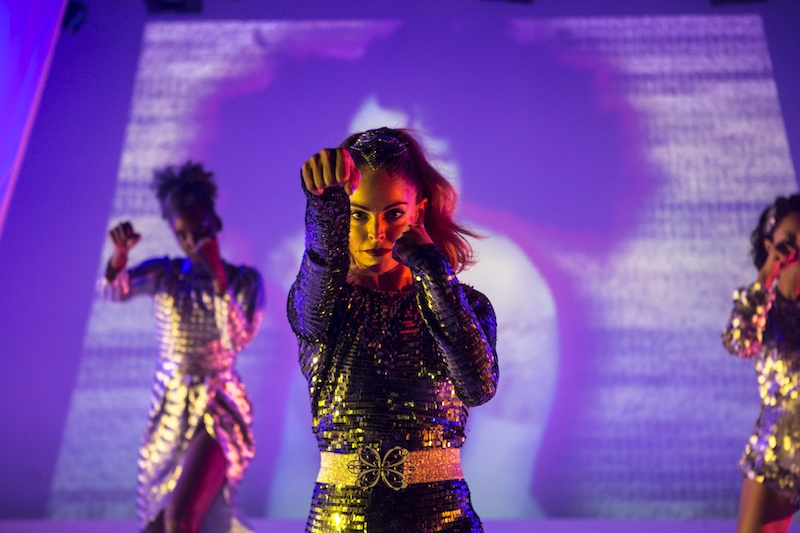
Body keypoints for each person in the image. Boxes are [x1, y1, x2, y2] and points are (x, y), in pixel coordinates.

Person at [288, 127, 499, 532]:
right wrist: (324, 206)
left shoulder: (467, 304)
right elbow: (314, 294)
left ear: (418, 210)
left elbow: (478, 387)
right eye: (357, 214)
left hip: (443, 522)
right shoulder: (325, 306)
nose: (376, 233)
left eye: (394, 213)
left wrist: (434, 271)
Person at [103, 161, 265, 533]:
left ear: (215, 223)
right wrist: (118, 260)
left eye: (201, 231)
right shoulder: (166, 273)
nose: (193, 242)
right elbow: (116, 289)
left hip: (219, 403)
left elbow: (238, 337)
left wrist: (219, 280)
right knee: (158, 525)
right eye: (183, 235)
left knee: (182, 517)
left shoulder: (244, 280)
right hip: (172, 404)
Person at [723, 194, 800, 533]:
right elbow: (739, 341)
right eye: (790, 240)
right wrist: (767, 275)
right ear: (770, 244)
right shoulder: (764, 309)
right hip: (777, 456)